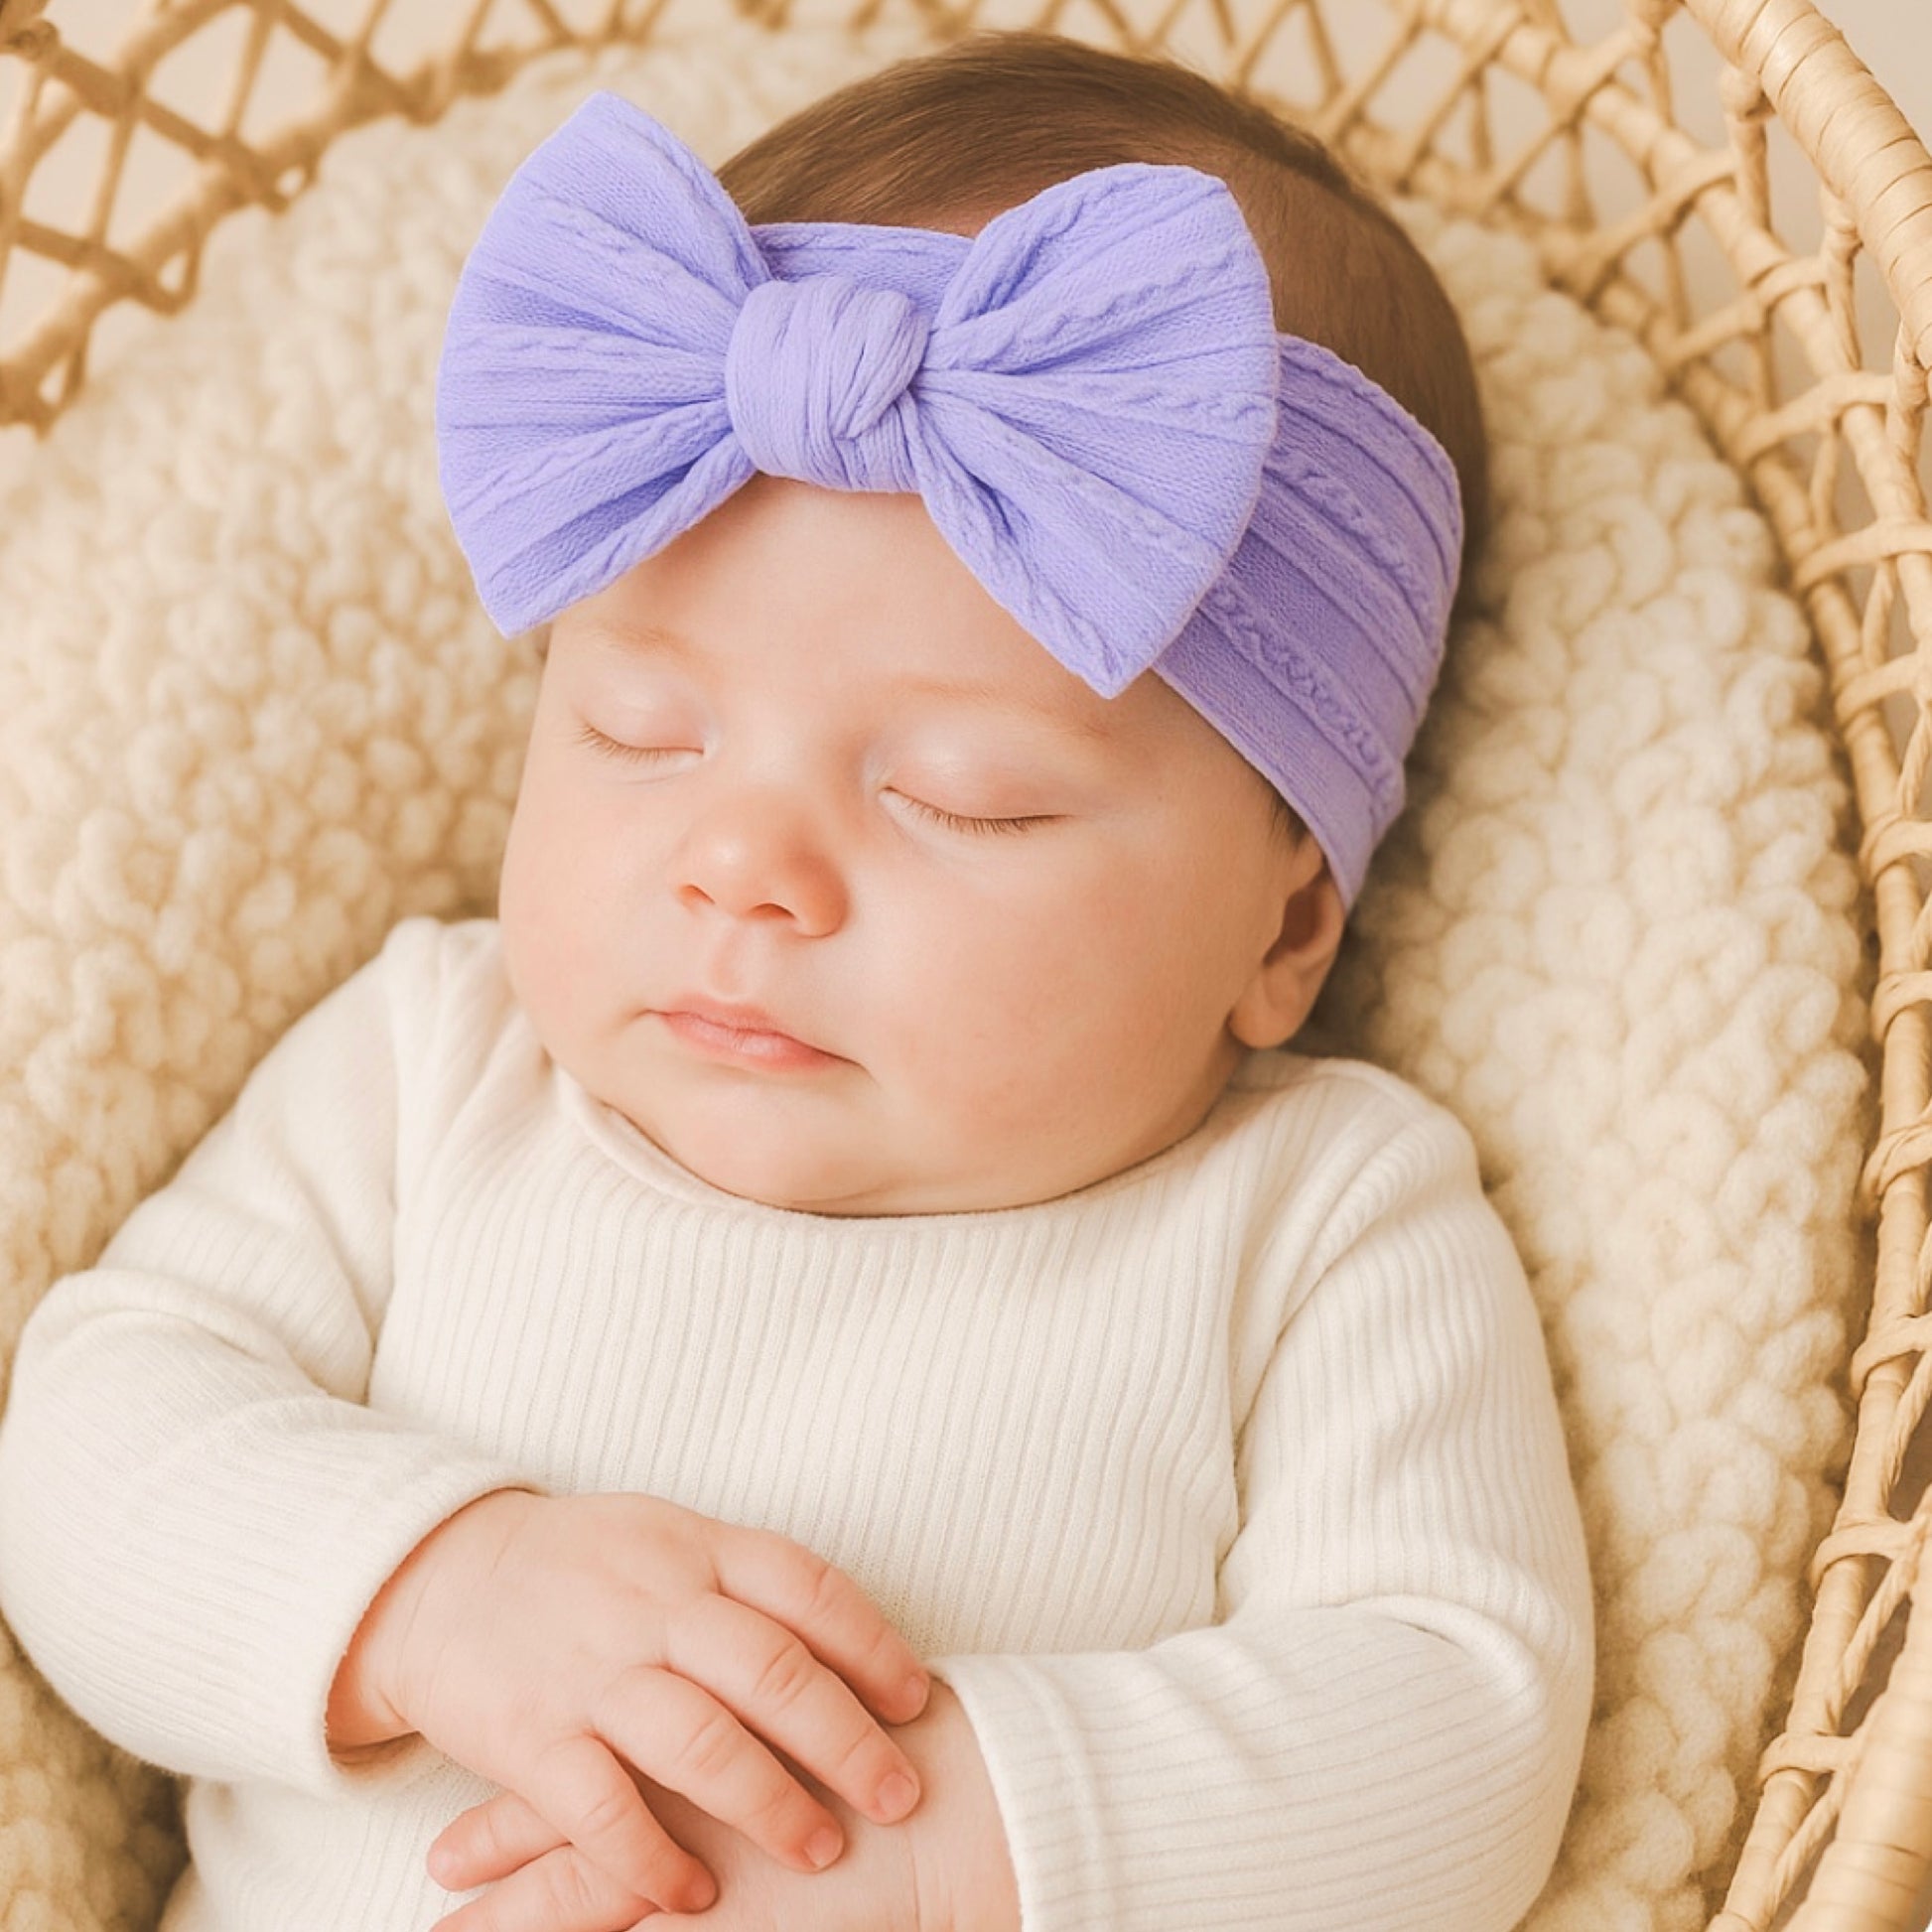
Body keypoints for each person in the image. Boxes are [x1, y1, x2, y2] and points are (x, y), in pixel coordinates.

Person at [0, 28, 1592, 1932]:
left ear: (1283, 927)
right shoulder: (443, 1062)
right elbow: (93, 1439)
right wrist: (426, 1590)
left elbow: (1454, 1727)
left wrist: (930, 1853)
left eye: (956, 796)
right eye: (639, 729)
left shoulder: (1320, 1217)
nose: (738, 864)